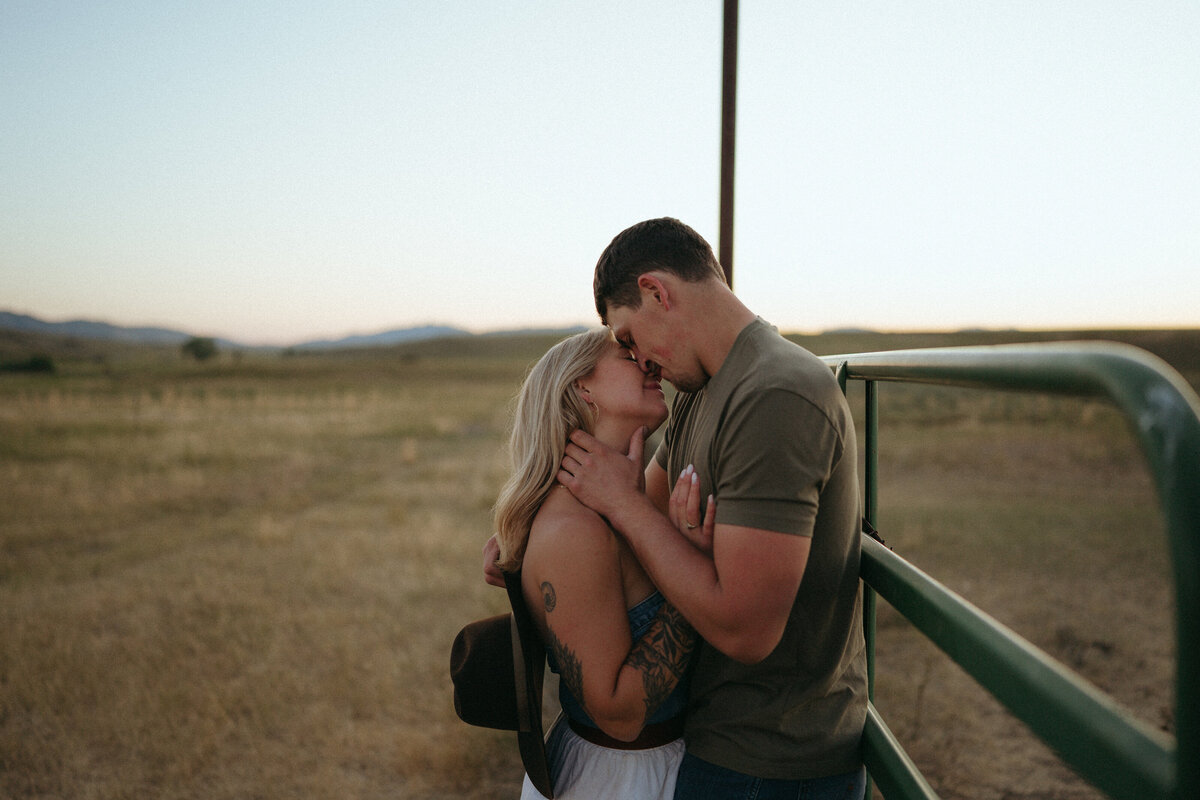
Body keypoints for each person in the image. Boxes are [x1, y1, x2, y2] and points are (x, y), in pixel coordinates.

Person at [554, 217, 869, 799]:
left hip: (769, 763)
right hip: (719, 742)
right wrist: (529, 544)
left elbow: (747, 630)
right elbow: (635, 515)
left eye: (628, 337)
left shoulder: (773, 392)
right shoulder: (704, 392)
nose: (639, 361)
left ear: (656, 292)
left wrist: (625, 506)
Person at [491, 327, 715, 800]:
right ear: (582, 388)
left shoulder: (624, 501)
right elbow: (619, 714)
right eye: (627, 355)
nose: (649, 363)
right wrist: (698, 572)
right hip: (619, 781)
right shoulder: (576, 530)